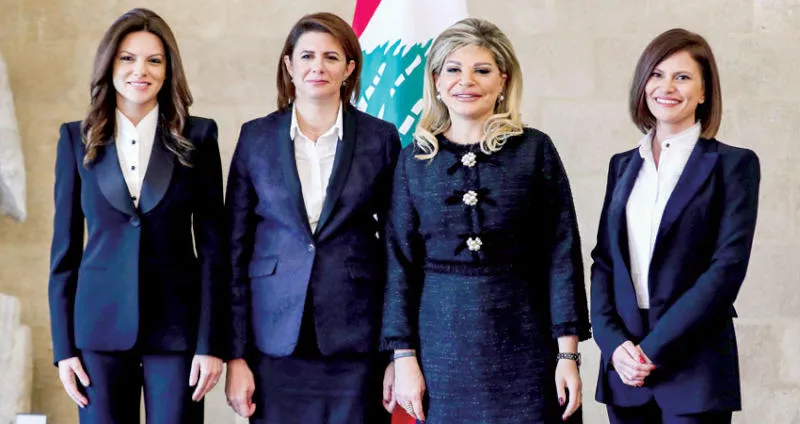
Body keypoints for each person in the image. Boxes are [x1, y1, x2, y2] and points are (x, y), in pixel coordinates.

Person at [382, 18, 590, 424]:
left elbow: (562, 255)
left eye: (482, 70)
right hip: (441, 350)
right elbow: (399, 264)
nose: (467, 81)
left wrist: (568, 356)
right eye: (453, 69)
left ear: (502, 81)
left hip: (528, 345)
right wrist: (403, 357)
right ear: (436, 81)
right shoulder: (413, 161)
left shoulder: (535, 150)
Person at [48, 8, 226, 424]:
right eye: (127, 58)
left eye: (154, 60)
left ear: (168, 69)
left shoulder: (198, 136)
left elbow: (214, 250)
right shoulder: (75, 138)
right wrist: (64, 349)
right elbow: (64, 251)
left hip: (178, 332)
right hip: (98, 332)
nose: (140, 71)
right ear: (109, 64)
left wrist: (210, 343)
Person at [224, 12, 401, 424]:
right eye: (306, 56)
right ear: (289, 65)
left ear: (349, 68)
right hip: (273, 341)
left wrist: (399, 352)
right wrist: (235, 355)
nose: (317, 67)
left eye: (330, 57)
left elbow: (398, 249)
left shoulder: (380, 138)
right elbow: (234, 251)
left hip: (357, 339)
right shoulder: (255, 137)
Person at [590, 28, 760, 424]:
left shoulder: (733, 165)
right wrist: (613, 344)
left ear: (704, 93)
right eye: (657, 74)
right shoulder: (622, 165)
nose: (666, 87)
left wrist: (652, 350)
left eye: (682, 77)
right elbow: (605, 261)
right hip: (625, 368)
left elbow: (726, 270)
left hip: (694, 364)